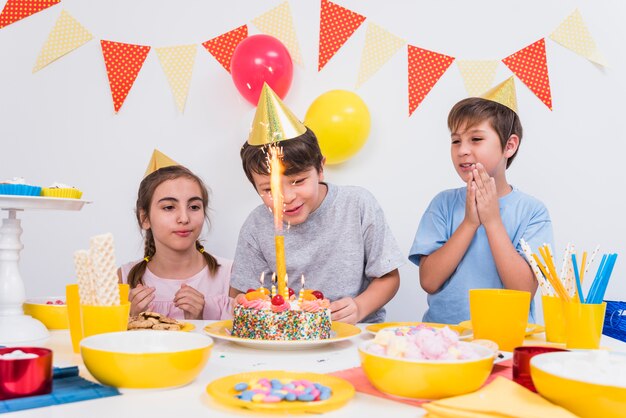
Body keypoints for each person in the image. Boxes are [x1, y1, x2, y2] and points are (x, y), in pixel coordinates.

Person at [229, 84, 404, 324]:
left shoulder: (357, 205)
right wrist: (245, 303)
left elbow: (388, 277)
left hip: (353, 333)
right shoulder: (257, 225)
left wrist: (360, 307)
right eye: (269, 189)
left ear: (320, 168)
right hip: (288, 336)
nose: (287, 198)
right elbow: (241, 293)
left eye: (298, 181)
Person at [408, 77, 553, 324]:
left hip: (507, 339)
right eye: (456, 141)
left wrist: (493, 221)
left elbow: (524, 292)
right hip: (446, 337)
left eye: (476, 139)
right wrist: (469, 223)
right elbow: (429, 281)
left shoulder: (532, 212)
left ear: (509, 146)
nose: (462, 150)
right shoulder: (442, 204)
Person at [119, 150, 233, 320]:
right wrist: (131, 318)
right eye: (169, 207)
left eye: (194, 207)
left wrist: (199, 322)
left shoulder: (231, 276)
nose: (184, 218)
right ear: (145, 218)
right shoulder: (123, 279)